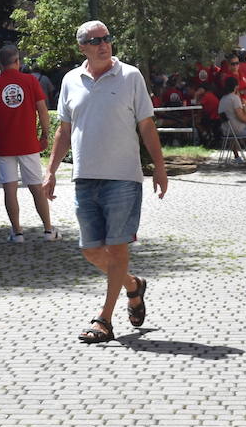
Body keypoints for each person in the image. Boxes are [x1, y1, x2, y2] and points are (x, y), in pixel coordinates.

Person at [47, 20, 167, 344]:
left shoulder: (130, 76)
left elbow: (146, 125)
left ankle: (105, 319)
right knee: (90, 250)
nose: (103, 44)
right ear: (82, 47)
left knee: (117, 249)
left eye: (107, 38)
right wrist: (51, 170)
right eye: (95, 40)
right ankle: (132, 286)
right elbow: (63, 130)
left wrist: (159, 166)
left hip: (123, 179)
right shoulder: (71, 80)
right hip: (84, 178)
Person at [0, 44, 59, 243]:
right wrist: (45, 134)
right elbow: (42, 109)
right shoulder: (30, 80)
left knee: (10, 189)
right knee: (36, 188)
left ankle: (17, 232)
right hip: (28, 143)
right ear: (17, 61)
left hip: (4, 145)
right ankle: (48, 230)